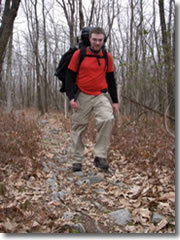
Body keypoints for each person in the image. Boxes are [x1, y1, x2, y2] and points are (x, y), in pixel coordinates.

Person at [66, 27, 119, 172]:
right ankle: (77, 160)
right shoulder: (79, 54)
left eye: (100, 40)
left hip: (100, 95)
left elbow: (110, 79)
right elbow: (69, 77)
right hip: (82, 95)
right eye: (94, 39)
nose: (97, 43)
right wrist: (71, 98)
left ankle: (100, 156)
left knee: (107, 119)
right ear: (89, 39)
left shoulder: (106, 56)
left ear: (104, 40)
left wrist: (115, 101)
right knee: (79, 126)